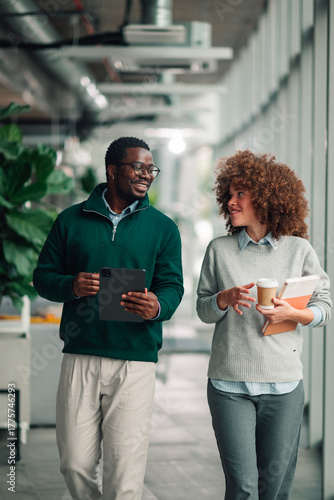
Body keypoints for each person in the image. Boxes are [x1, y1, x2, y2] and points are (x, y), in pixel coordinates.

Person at [33, 136, 184, 500]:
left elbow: (172, 287)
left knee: (125, 470)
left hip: (135, 360)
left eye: (151, 168)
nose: (147, 174)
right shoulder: (70, 220)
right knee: (74, 463)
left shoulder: (163, 228)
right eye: (138, 167)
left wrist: (158, 306)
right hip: (81, 355)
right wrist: (72, 285)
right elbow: (42, 278)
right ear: (112, 170)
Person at [196, 150, 331, 500]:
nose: (231, 201)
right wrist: (222, 300)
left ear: (266, 197)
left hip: (284, 388)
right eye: (229, 194)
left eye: (240, 193)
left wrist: (294, 314)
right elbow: (203, 310)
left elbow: (325, 306)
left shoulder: (299, 250)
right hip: (228, 385)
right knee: (242, 487)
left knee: (274, 488)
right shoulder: (219, 250)